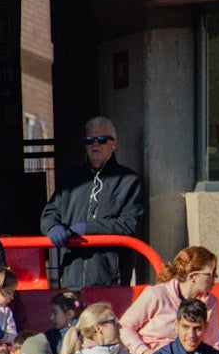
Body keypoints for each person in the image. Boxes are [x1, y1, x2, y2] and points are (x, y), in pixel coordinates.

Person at [40, 116, 145, 288]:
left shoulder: (128, 180)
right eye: (90, 140)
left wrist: (87, 229)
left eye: (102, 139)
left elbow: (128, 224)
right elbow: (50, 212)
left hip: (109, 279)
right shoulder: (70, 179)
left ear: (114, 144)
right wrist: (52, 227)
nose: (96, 144)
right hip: (71, 275)